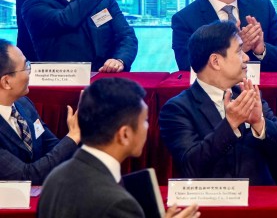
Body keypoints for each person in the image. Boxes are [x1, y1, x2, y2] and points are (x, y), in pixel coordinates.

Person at [158, 21, 277, 184]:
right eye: (239, 51)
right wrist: (230, 124)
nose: (246, 57)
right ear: (216, 61)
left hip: (260, 199)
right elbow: (191, 166)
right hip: (213, 204)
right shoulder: (177, 109)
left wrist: (259, 123)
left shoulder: (248, 95)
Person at [37, 78, 198, 218]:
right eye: (145, 121)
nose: (147, 127)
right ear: (124, 134)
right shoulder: (118, 203)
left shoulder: (55, 177)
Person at [0, 39, 79, 183]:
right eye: (26, 67)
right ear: (6, 82)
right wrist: (72, 136)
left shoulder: (23, 103)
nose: (30, 73)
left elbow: (51, 146)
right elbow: (26, 176)